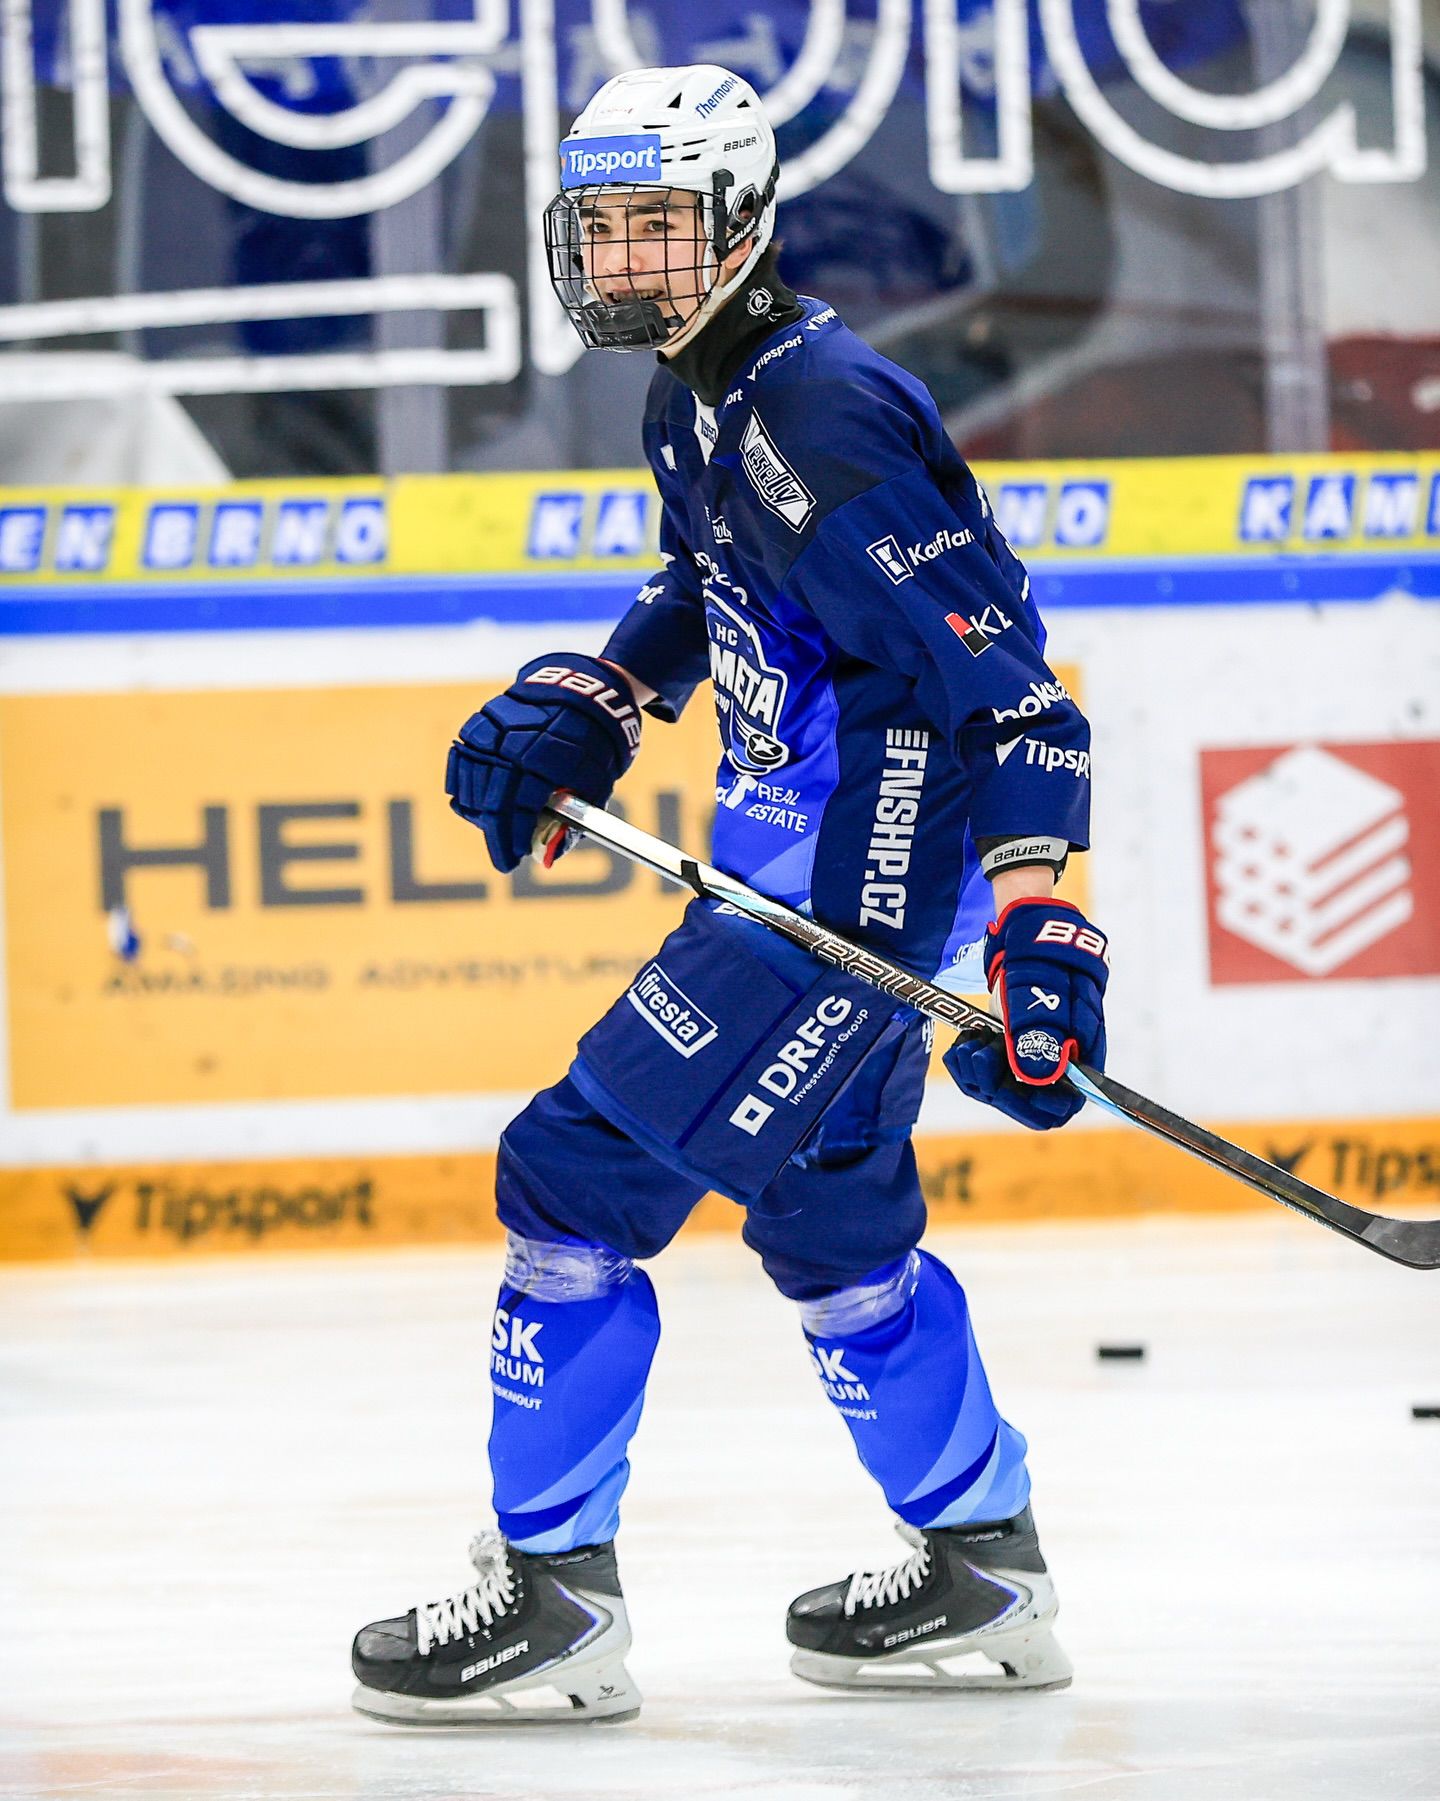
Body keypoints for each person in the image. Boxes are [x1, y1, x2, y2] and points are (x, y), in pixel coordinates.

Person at [351, 63, 1108, 1726]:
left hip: (845, 900)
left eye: (658, 228)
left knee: (568, 1176)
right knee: (837, 1225)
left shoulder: (818, 413)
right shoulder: (703, 386)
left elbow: (1018, 698)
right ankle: (984, 1561)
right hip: (806, 866)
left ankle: (553, 1597)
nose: (624, 263)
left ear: (746, 219)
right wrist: (605, 699)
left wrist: (1039, 919)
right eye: (600, 230)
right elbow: (710, 579)